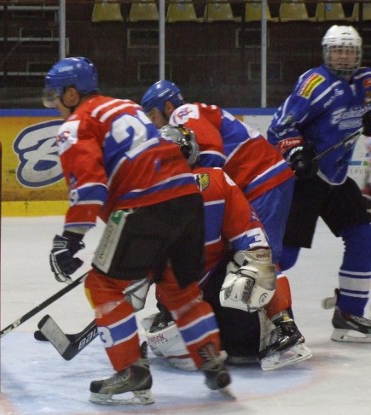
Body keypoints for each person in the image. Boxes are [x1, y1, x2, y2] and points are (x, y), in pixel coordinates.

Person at [43, 56, 231, 406]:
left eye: (55, 95)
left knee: (102, 284)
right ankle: (210, 358)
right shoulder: (124, 106)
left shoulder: (76, 124)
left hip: (141, 206)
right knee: (181, 289)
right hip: (188, 199)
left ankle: (131, 370)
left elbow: (90, 188)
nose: (53, 103)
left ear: (71, 94)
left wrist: (69, 240)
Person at [140, 79, 306, 364]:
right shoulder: (193, 126)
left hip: (259, 182)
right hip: (257, 181)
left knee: (260, 255)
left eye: (153, 116)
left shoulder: (184, 114)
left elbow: (211, 158)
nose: (154, 124)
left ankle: (284, 329)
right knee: (242, 256)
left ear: (167, 106)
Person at [267, 25, 371, 342]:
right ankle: (261, 314)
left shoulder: (366, 82)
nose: (343, 56)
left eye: (349, 50)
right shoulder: (315, 83)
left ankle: (349, 313)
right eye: (337, 50)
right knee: (286, 254)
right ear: (326, 53)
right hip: (306, 179)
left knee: (365, 234)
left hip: (337, 180)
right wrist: (296, 150)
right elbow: (279, 126)